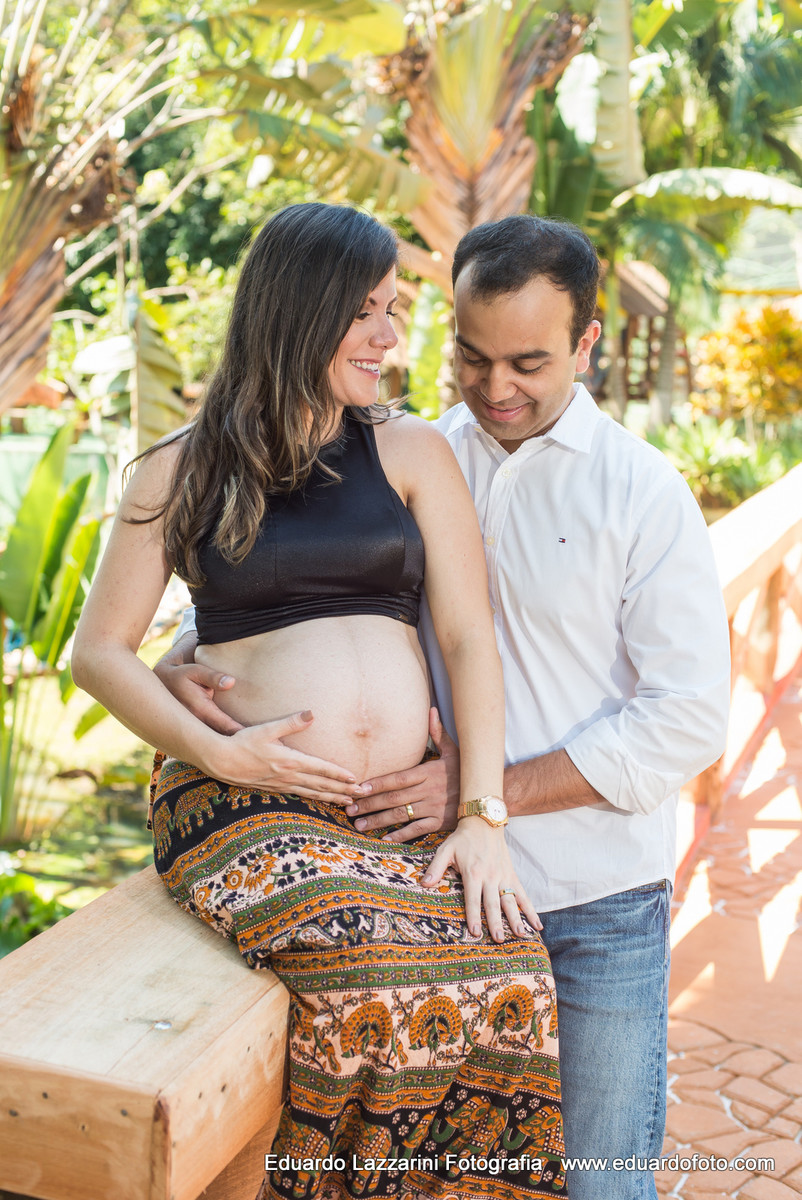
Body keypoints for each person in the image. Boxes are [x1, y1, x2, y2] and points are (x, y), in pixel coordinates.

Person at [161, 215, 731, 1200]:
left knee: (601, 1183)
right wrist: (187, 660)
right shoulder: (404, 450)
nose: (496, 386)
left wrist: (480, 798)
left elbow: (687, 719)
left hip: (591, 898)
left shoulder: (642, 493)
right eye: (471, 355)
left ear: (586, 344)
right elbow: (293, 577)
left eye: (529, 362)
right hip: (422, 886)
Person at [71, 203, 570, 1200]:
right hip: (246, 803)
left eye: (391, 310)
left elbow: (469, 637)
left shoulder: (409, 451)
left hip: (390, 809)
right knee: (367, 974)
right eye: (366, 313)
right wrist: (216, 753)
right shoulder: (181, 467)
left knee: (515, 966)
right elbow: (99, 655)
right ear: (298, 313)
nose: (391, 338)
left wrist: (480, 814)